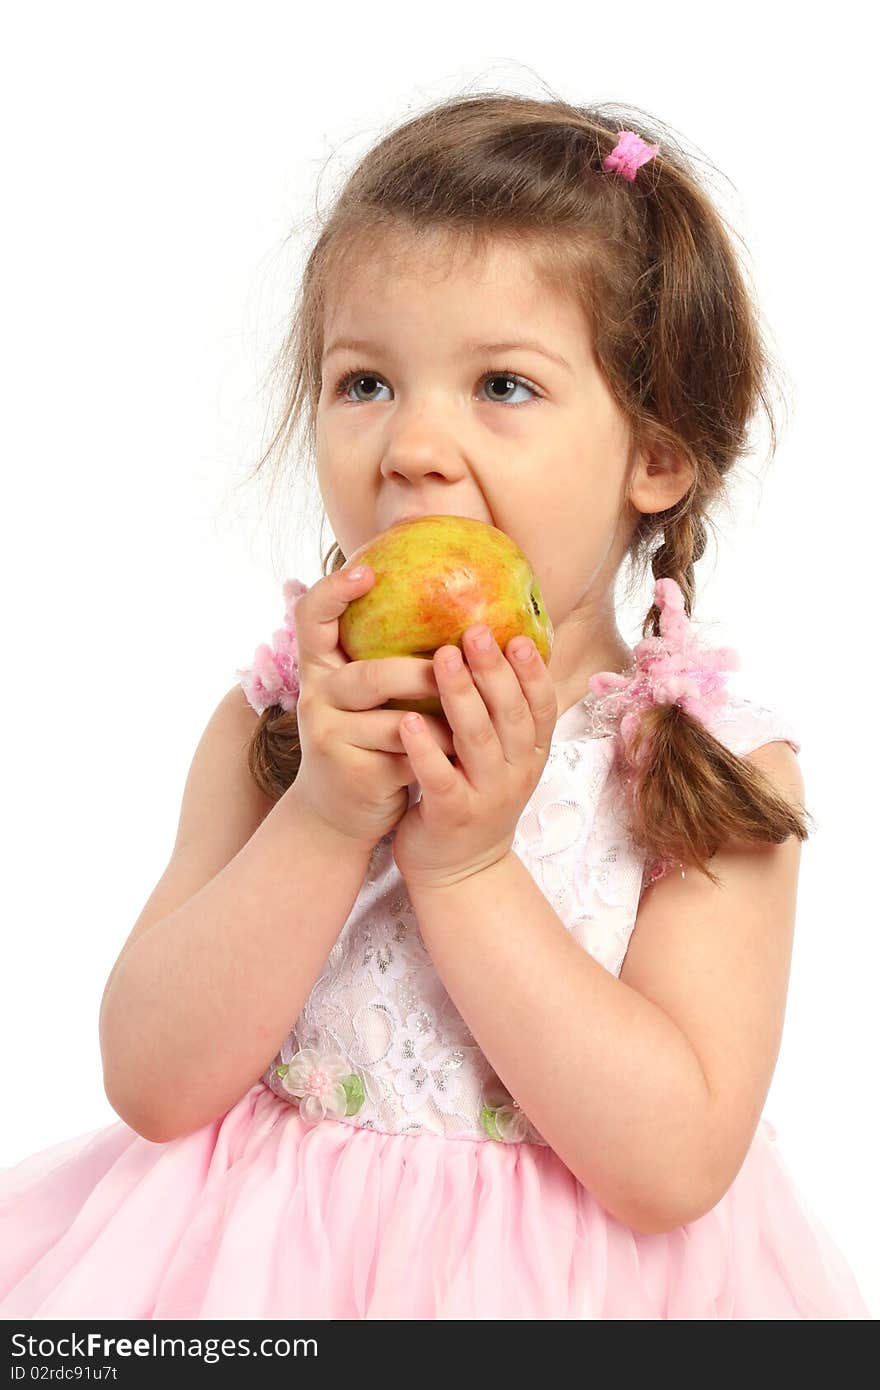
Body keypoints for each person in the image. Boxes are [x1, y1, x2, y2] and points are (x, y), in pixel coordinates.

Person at [0, 95, 871, 1320]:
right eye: (365, 380)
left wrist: (466, 871)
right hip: (260, 1284)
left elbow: (672, 1163)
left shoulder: (700, 766)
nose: (410, 444)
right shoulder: (277, 729)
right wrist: (319, 820)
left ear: (657, 458)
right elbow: (151, 1082)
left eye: (502, 385)